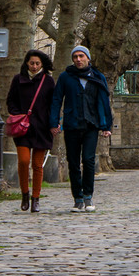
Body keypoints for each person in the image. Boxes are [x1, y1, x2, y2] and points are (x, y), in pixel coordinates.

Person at [50, 45, 112, 213]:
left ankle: (88, 196)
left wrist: (106, 126)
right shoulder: (66, 77)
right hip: (72, 124)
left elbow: (104, 102)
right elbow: (56, 100)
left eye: (81, 56)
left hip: (91, 124)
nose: (78, 59)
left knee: (89, 160)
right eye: (75, 57)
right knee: (73, 162)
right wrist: (54, 122)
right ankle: (77, 198)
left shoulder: (97, 77)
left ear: (88, 58)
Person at [6, 49, 56, 213]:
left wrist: (54, 122)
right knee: (24, 161)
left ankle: (36, 198)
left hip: (42, 127)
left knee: (37, 165)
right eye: (32, 63)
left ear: (42, 65)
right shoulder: (18, 79)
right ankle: (24, 194)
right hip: (23, 127)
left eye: (37, 63)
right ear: (26, 63)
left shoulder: (48, 81)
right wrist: (16, 114)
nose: (34, 66)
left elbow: (53, 104)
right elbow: (10, 100)